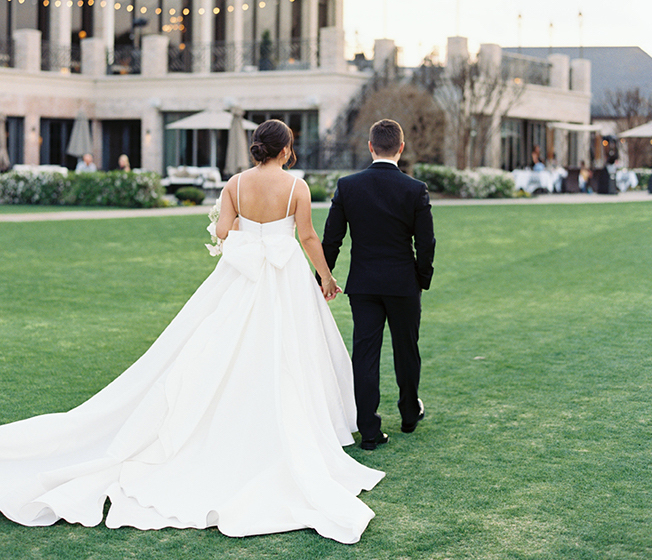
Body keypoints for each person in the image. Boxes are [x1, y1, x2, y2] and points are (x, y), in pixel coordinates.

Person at [0, 120, 384, 544]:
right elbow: (308, 236)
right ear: (287, 149)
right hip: (285, 278)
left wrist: (241, 234)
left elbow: (222, 232)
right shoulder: (297, 188)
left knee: (217, 345)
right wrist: (326, 277)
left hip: (241, 278)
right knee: (288, 351)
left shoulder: (234, 185)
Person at [320, 119, 436, 451]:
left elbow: (332, 240)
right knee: (406, 349)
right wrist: (421, 280)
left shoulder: (348, 186)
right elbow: (426, 244)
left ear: (371, 147)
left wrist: (322, 279)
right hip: (403, 283)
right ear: (401, 148)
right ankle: (409, 412)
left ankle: (369, 429)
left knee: (365, 355)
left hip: (364, 284)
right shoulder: (415, 189)